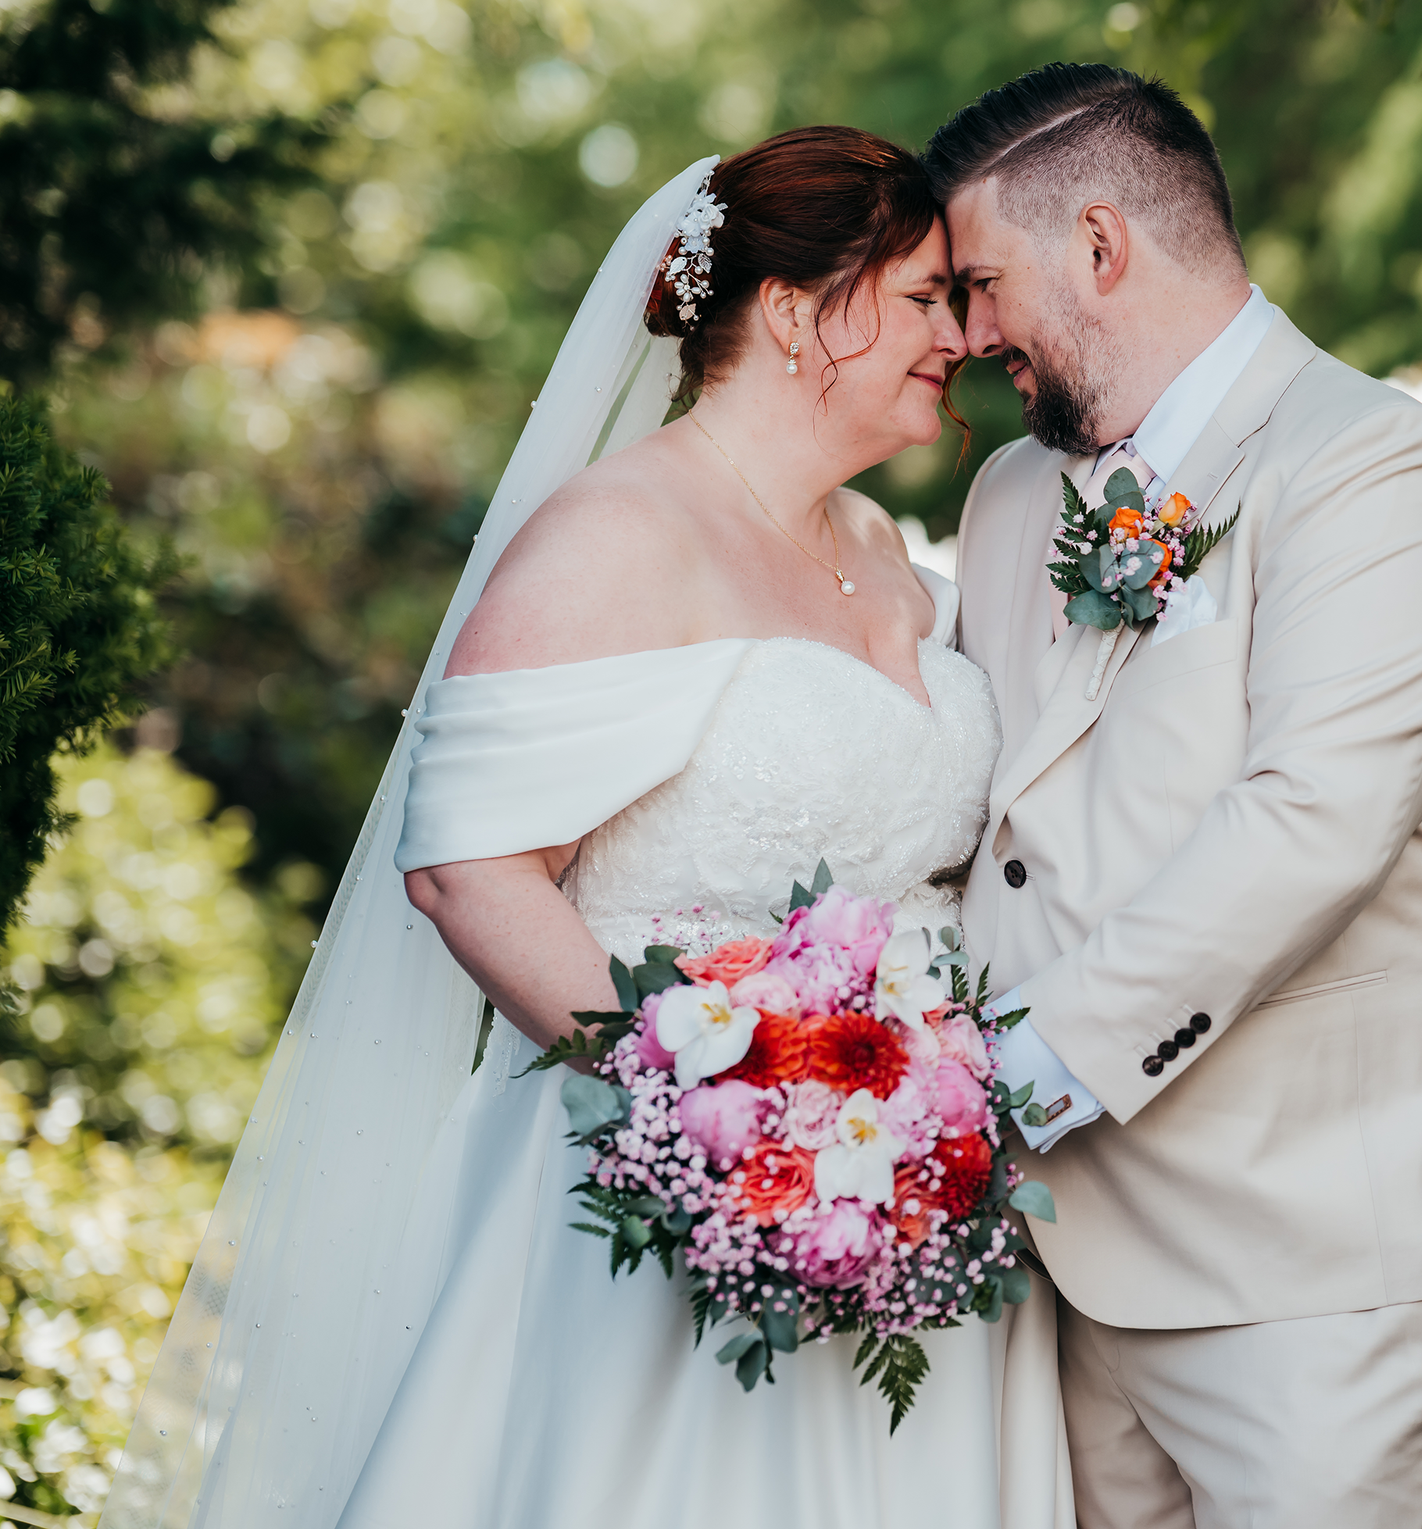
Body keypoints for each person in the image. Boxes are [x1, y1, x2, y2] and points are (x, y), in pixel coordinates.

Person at [102, 129, 1073, 1529]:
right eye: (921, 299)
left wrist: (889, 1127)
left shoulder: (879, 546)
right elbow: (464, 865)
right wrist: (704, 1117)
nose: (961, 336)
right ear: (796, 312)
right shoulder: (616, 533)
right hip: (672, 1200)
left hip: (912, 1203)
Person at [928, 64, 1422, 1529]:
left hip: (1324, 1244)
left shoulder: (1371, 469)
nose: (967, 337)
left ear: (1101, 246)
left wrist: (996, 1082)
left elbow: (1308, 828)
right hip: (1061, 1247)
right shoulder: (1009, 500)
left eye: (981, 283)